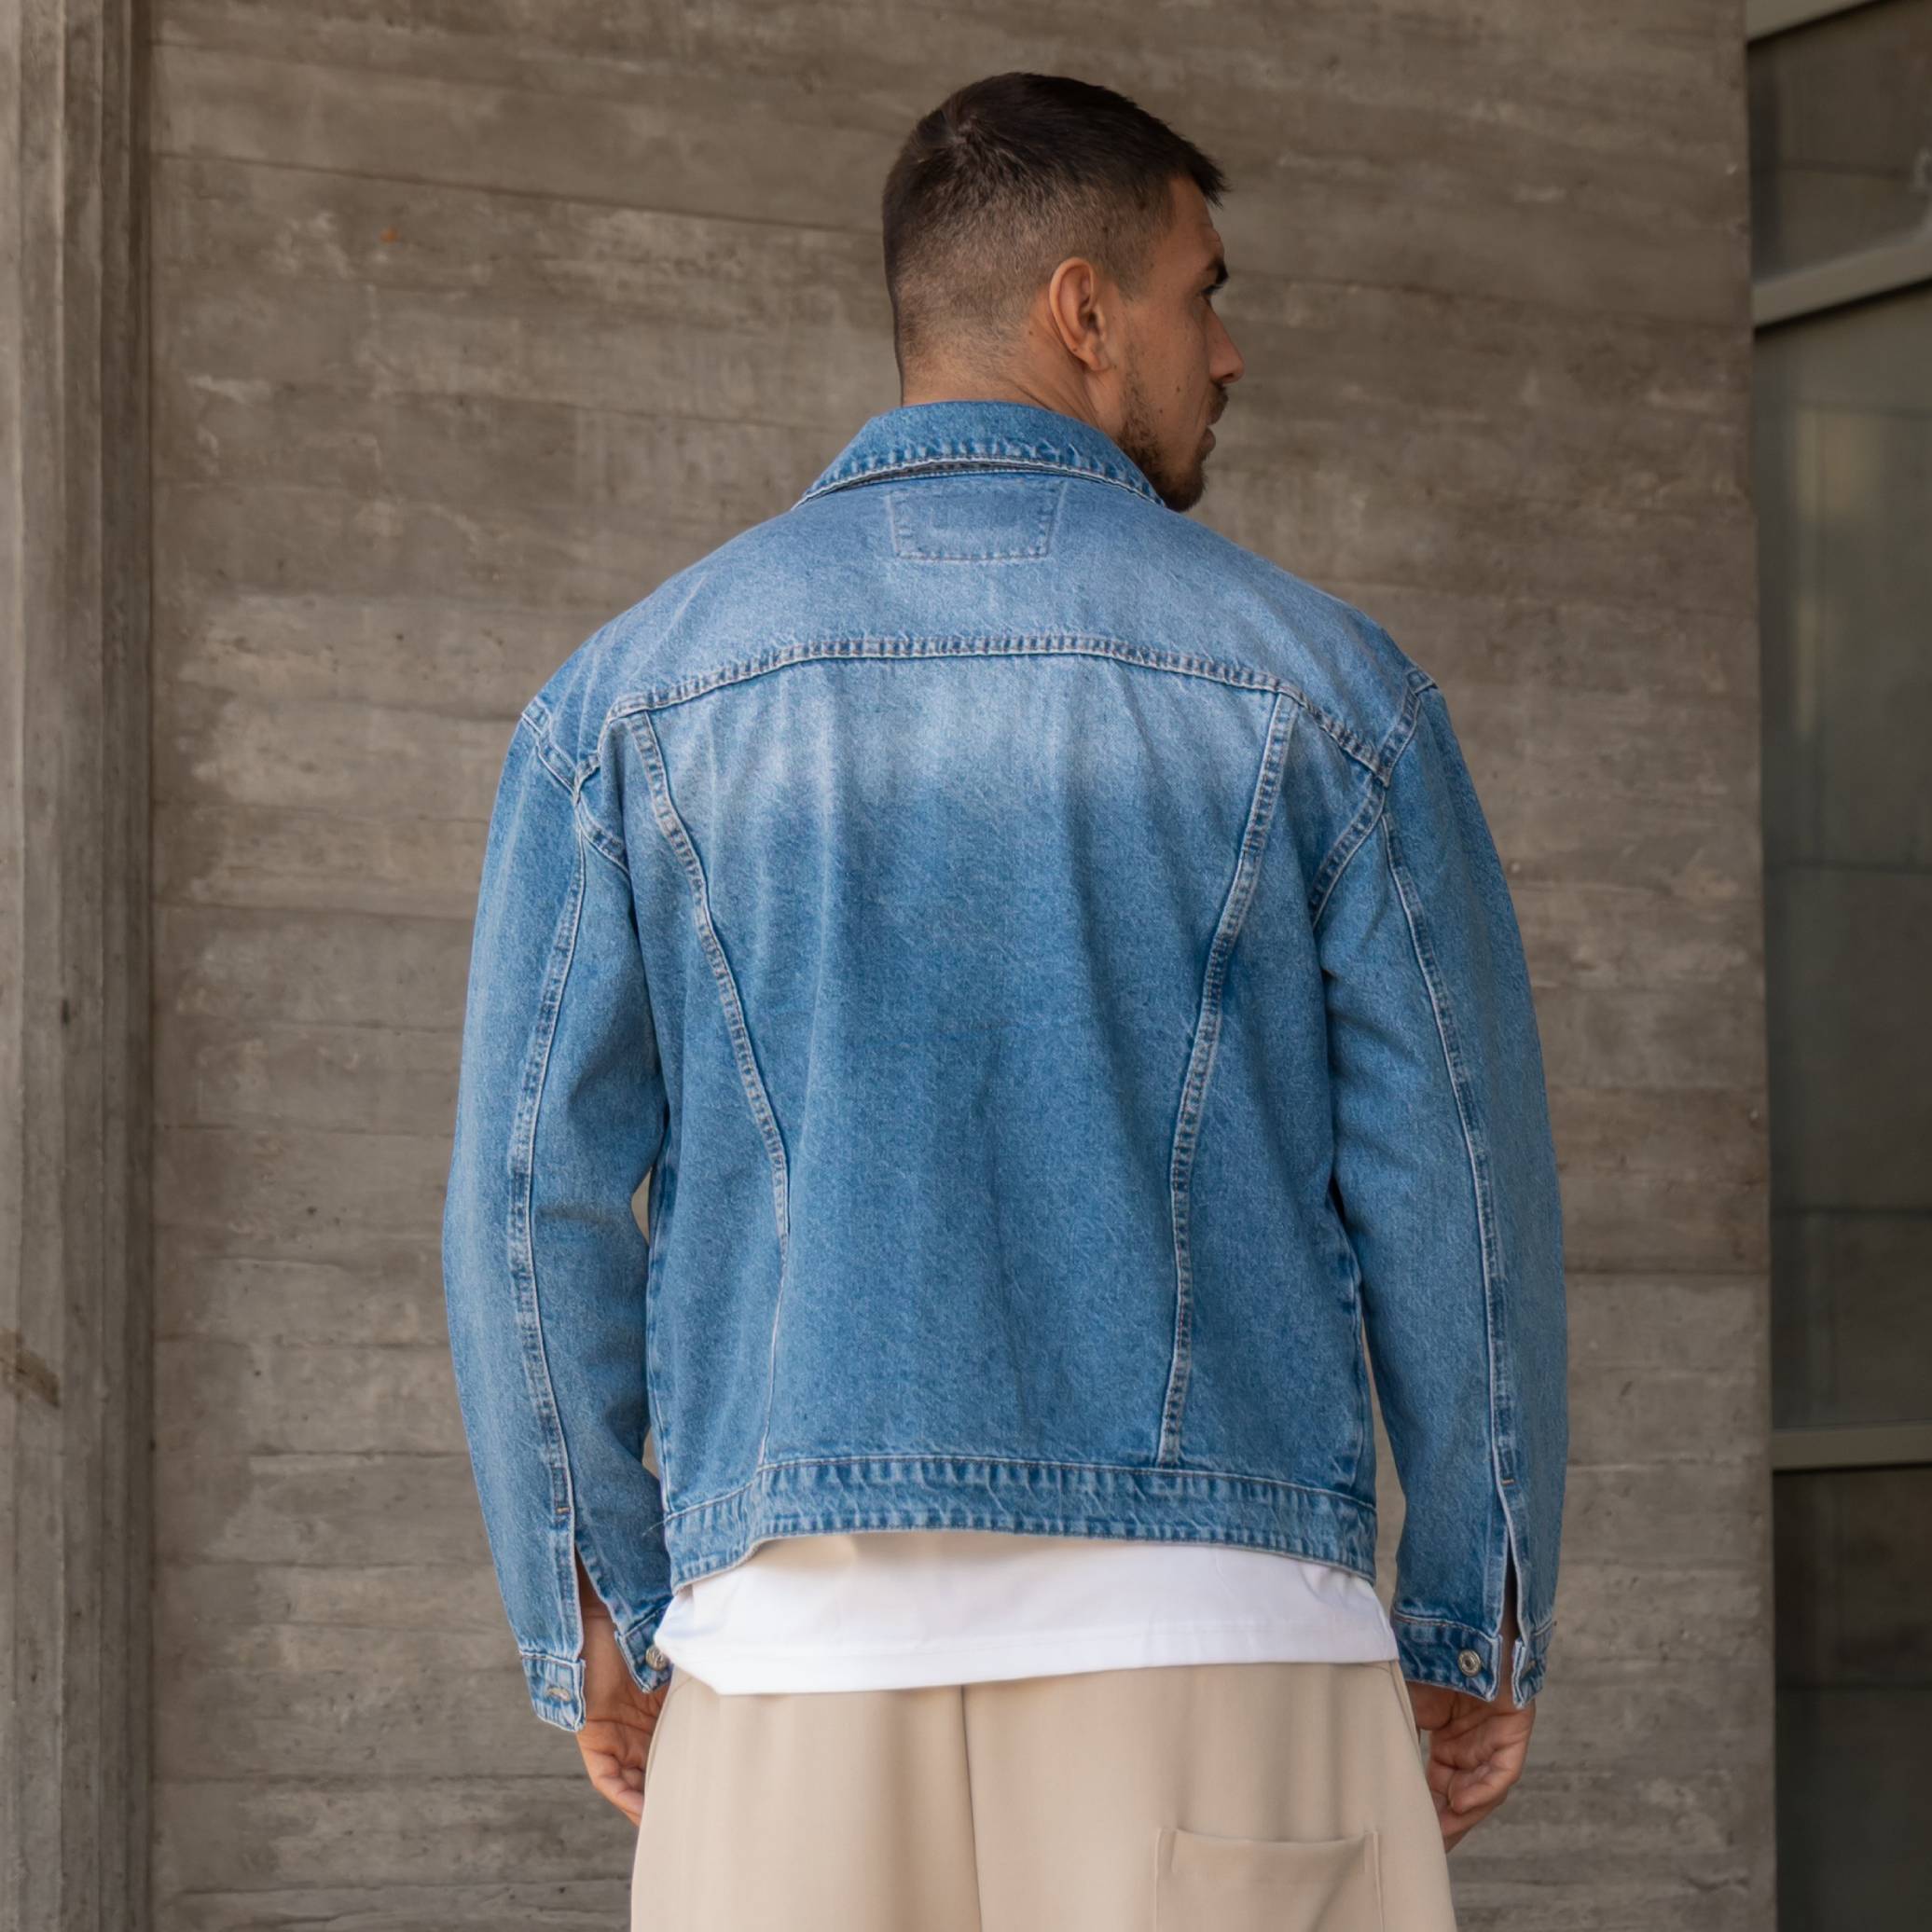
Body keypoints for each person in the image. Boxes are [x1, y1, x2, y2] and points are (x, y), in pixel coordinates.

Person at [441, 69, 1568, 1932]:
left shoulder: (628, 704)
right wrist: (1475, 1606)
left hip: (789, 1667)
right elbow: (1457, 1185)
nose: (1227, 353)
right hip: (1219, 1652)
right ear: (1083, 312)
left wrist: (595, 1602)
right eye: (1204, 295)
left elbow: (530, 1200)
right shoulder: (1326, 693)